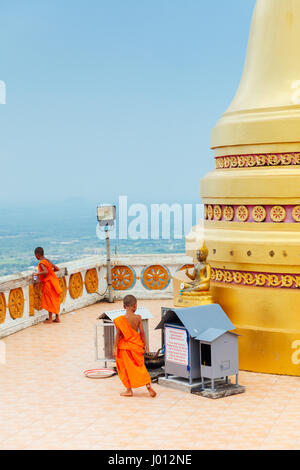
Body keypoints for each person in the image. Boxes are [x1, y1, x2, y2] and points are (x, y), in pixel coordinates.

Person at [113, 295, 156, 397]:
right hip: (136, 346)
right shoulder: (138, 318)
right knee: (140, 367)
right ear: (135, 306)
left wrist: (115, 347)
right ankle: (148, 386)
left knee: (125, 368)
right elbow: (142, 332)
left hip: (124, 348)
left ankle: (129, 390)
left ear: (124, 306)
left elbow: (118, 335)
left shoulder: (121, 320)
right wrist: (145, 345)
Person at [33, 247, 62, 323]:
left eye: (35, 255)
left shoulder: (42, 262)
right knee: (55, 299)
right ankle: (57, 318)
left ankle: (50, 319)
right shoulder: (48, 260)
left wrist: (37, 273)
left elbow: (45, 271)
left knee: (49, 300)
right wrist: (51, 272)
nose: (35, 257)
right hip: (54, 282)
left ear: (37, 255)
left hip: (48, 283)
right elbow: (57, 269)